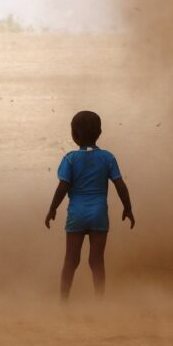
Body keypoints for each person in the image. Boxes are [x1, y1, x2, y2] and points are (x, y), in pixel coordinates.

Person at [45, 111, 134, 301]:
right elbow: (120, 184)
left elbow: (63, 187)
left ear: (74, 135)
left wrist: (53, 208)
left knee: (71, 260)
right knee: (96, 262)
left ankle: (63, 302)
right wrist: (128, 208)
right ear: (99, 132)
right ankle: (99, 302)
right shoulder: (108, 158)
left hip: (77, 214)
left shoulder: (70, 159)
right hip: (99, 214)